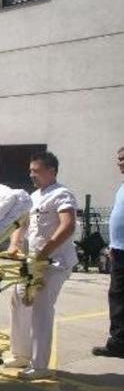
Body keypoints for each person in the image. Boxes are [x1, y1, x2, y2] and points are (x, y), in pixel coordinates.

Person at [6, 151, 77, 380]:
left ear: (51, 171)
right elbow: (23, 224)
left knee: (41, 307)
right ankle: (21, 354)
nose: (31, 175)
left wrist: (45, 251)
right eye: (30, 171)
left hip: (54, 262)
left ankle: (40, 365)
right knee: (18, 298)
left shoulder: (62, 194)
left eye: (36, 171)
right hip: (33, 262)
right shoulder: (33, 196)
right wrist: (14, 243)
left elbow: (68, 226)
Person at [92, 146, 124, 358]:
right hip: (119, 250)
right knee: (118, 297)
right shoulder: (122, 187)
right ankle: (119, 342)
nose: (120, 163)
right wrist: (113, 245)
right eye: (119, 159)